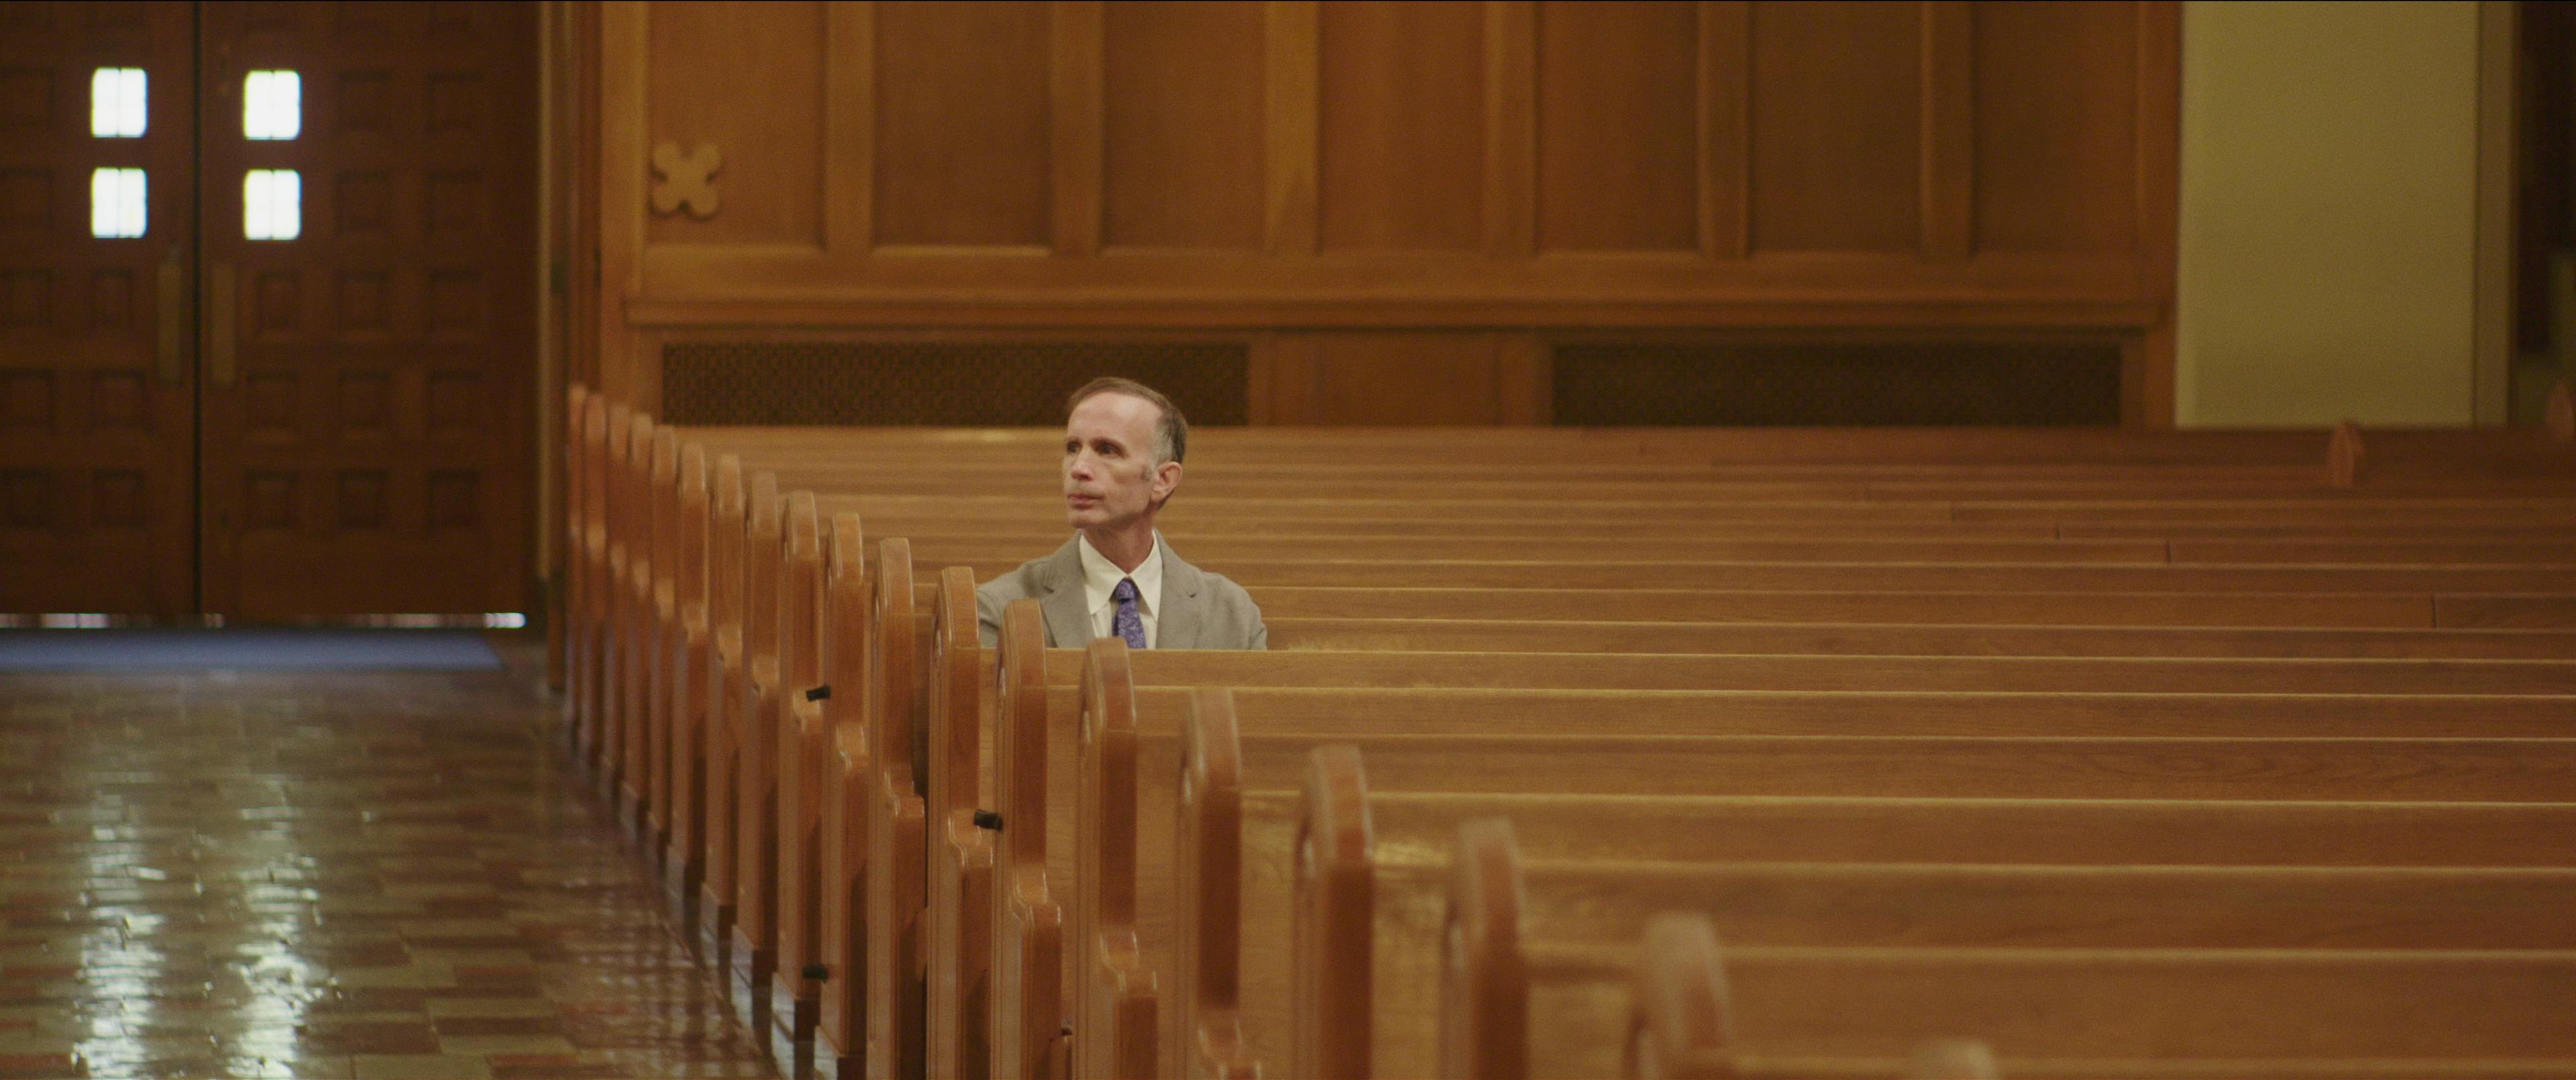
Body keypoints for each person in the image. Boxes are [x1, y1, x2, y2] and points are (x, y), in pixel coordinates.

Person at [974, 378, 1267, 651]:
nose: (1079, 468)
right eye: (1073, 448)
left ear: (1163, 480)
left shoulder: (1232, 615)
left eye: (1107, 450)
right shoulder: (1002, 609)